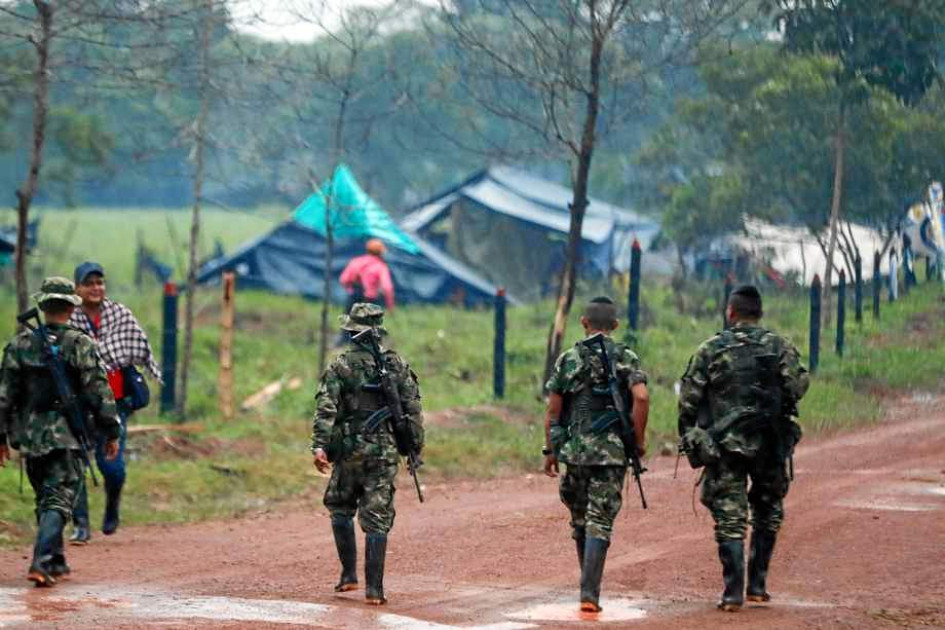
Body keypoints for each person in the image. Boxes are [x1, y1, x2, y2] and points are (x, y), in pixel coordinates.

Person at [678, 285, 809, 612]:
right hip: (770, 444)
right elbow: (798, 386)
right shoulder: (780, 347)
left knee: (730, 516)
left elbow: (688, 401)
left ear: (730, 312)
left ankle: (732, 592)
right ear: (759, 313)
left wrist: (692, 435)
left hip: (724, 446)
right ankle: (758, 586)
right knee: (768, 512)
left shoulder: (710, 349)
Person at [0, 277, 121, 586]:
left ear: (43, 304)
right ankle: (40, 562)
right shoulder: (80, 343)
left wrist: (1, 437)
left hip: (30, 436)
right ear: (71, 307)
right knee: (60, 499)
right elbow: (98, 391)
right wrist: (111, 430)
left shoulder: (19, 345)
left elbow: (5, 396)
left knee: (46, 497)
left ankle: (56, 560)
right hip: (67, 435)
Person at [311, 303, 424, 606]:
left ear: (351, 332)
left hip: (348, 451)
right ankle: (374, 590)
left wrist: (320, 445)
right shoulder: (396, 365)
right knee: (377, 516)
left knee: (340, 506)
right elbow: (412, 410)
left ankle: (349, 576)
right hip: (384, 453)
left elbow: (326, 409)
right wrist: (413, 448)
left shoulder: (340, 366)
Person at [543, 296, 649, 613]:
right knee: (599, 521)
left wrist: (550, 450)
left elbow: (553, 410)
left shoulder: (569, 358)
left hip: (575, 454)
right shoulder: (626, 356)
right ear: (615, 326)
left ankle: (587, 587)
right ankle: (589, 594)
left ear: (583, 323)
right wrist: (637, 442)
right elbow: (641, 398)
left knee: (579, 521)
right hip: (612, 455)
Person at [68, 261, 161, 543]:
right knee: (75, 464)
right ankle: (80, 524)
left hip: (115, 404)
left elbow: (137, 345)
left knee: (113, 467)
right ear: (77, 288)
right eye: (89, 283)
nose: (96, 288)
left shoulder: (120, 314)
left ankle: (112, 505)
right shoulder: (69, 318)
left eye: (99, 282)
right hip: (79, 403)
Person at [339, 239, 396, 313]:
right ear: (381, 252)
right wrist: (390, 306)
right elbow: (387, 287)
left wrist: (350, 290)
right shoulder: (380, 266)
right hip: (370, 301)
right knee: (368, 324)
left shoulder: (356, 261)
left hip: (353, 299)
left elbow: (343, 279)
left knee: (349, 323)